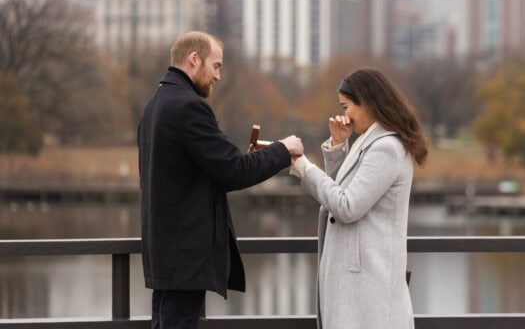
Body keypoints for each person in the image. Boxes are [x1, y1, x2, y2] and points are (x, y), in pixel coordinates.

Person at [137, 31, 303, 329]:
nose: (218, 76)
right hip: (184, 257)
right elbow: (233, 170)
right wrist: (283, 150)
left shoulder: (155, 104)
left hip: (164, 253)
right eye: (216, 66)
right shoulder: (189, 106)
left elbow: (201, 167)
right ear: (194, 59)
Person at [289, 68, 429, 329]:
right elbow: (342, 191)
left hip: (368, 282)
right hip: (361, 281)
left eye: (347, 106)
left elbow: (347, 206)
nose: (345, 114)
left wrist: (304, 168)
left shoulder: (386, 148)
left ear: (367, 102)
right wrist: (339, 146)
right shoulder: (372, 142)